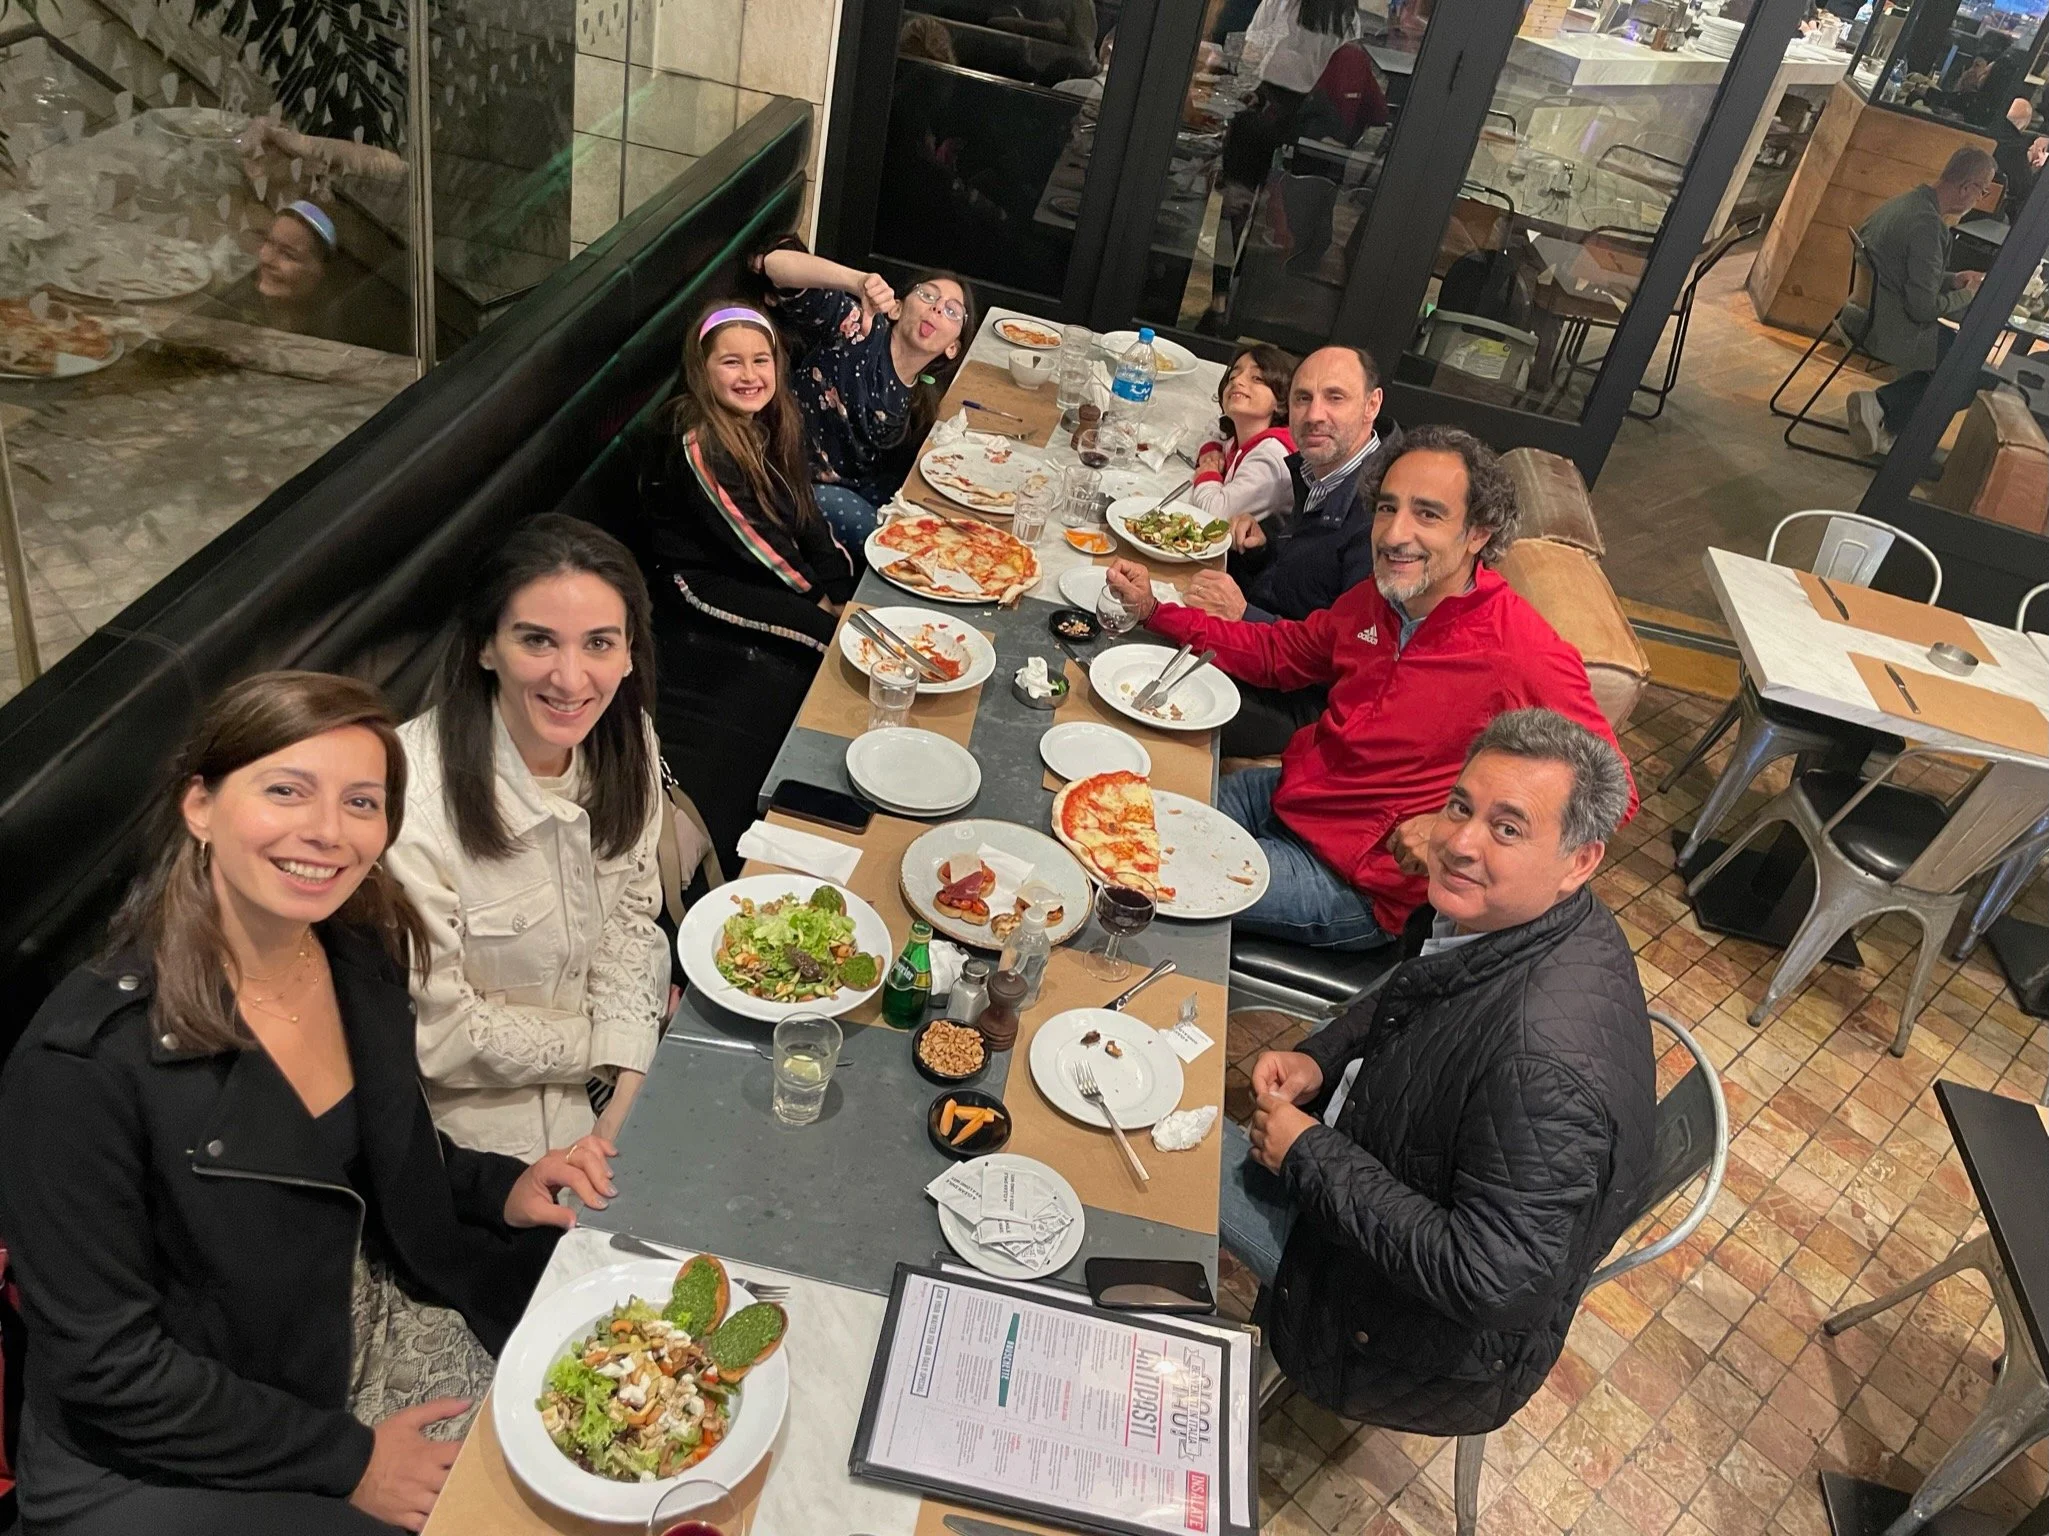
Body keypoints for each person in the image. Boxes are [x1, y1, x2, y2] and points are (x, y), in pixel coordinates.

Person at [0, 671, 617, 1536]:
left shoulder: (353, 944)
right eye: (286, 791)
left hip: (362, 1320)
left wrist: (495, 1187)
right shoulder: (80, 1065)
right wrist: (349, 1461)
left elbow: (366, 1147)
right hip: (186, 1440)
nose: (328, 831)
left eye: (361, 802)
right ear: (199, 806)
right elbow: (110, 1370)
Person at [1220, 708, 1656, 1435]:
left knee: (1168, 1146)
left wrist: (1308, 1154)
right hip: (1380, 1175)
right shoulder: (1510, 916)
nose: (1458, 842)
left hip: (1401, 1333)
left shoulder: (1542, 1070)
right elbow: (1417, 987)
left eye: (1506, 828)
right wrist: (1320, 1058)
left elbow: (1490, 1280)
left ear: (1579, 862)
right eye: (1460, 806)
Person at [1106, 424, 1633, 949]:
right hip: (1292, 795)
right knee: (1118, 824)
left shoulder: (1522, 650)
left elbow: (1616, 795)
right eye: (1387, 508)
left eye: (1428, 514)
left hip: (1351, 883)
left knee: (1140, 875)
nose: (1395, 534)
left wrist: (1455, 826)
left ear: (1478, 533)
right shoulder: (1379, 599)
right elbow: (1280, 653)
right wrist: (1156, 611)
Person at [384, 516, 669, 1163]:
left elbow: (629, 915)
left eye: (599, 644)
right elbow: (442, 1032)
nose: (570, 679)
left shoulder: (630, 742)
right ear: (486, 646)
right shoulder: (409, 802)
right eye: (538, 640)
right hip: (477, 1144)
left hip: (619, 1080)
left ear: (629, 652)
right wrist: (606, 1047)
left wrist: (627, 1078)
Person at [1139, 344, 1389, 757]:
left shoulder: (1381, 516)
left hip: (1300, 703)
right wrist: (1263, 551)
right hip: (1260, 649)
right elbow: (1307, 581)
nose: (1315, 414)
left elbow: (1341, 655)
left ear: (1372, 404)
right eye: (1303, 398)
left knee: (1140, 681)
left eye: (1335, 397)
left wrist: (1245, 613)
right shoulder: (1322, 472)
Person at [638, 303, 855, 653]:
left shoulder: (777, 416)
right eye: (731, 362)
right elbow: (752, 534)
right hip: (702, 578)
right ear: (702, 371)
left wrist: (839, 591)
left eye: (760, 360)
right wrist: (818, 599)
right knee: (831, 640)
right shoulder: (698, 441)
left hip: (751, 559)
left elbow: (806, 510)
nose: (750, 375)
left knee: (852, 606)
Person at [753, 243, 977, 545]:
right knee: (893, 542)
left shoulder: (918, 401)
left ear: (953, 348)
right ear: (897, 307)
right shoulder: (860, 326)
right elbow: (775, 265)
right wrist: (856, 281)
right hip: (787, 477)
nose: (937, 308)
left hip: (856, 488)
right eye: (928, 295)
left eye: (952, 311)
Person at [1204, 0, 1358, 330]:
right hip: (1311, 120)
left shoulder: (1283, 2)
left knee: (1236, 207)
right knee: (1280, 215)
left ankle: (1220, 298)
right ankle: (1253, 306)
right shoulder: (1348, 16)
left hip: (1263, 108)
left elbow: (1251, 52)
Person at [1845, 147, 1998, 457]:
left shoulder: (1905, 203)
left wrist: (1953, 280)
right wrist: (1968, 294)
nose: (1979, 199)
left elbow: (1902, 272)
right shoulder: (1928, 226)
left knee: (1953, 352)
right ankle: (1889, 421)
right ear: (1967, 187)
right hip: (1886, 327)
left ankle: (1882, 408)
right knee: (1971, 373)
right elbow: (1923, 309)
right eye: (1982, 191)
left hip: (1858, 313)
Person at [1187, 343, 1298, 537]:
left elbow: (1214, 517)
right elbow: (1216, 424)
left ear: (1282, 401)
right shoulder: (1242, 430)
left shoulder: (1271, 459)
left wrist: (1208, 475)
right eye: (1233, 376)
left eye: (1257, 378)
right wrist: (1211, 448)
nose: (1237, 381)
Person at [1994, 95, 2046, 211]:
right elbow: (2024, 191)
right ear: (2024, 125)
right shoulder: (2016, 150)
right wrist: (2036, 169)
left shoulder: (1991, 131)